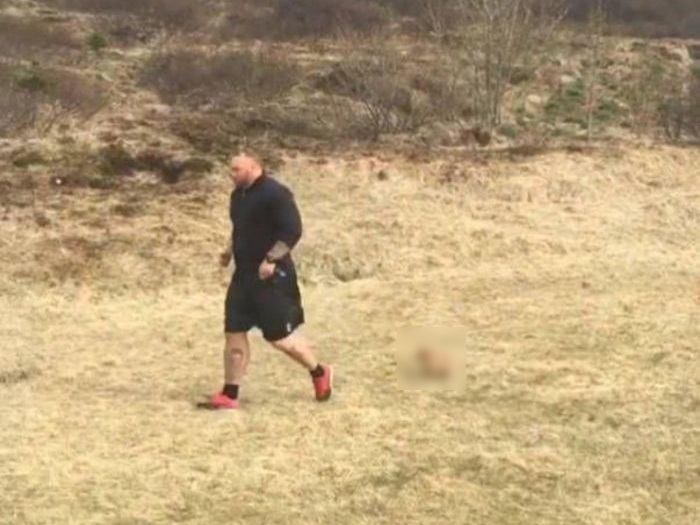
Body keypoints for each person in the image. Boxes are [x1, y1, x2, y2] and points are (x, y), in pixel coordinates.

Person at [204, 152, 332, 410]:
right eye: (231, 169)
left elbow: (292, 230)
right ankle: (230, 394)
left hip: (272, 277)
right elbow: (240, 228)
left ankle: (319, 371)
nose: (231, 174)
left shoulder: (276, 194)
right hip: (243, 276)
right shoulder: (237, 196)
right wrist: (229, 251)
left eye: (237, 170)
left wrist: (271, 259)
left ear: (254, 167)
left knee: (279, 339)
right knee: (234, 331)